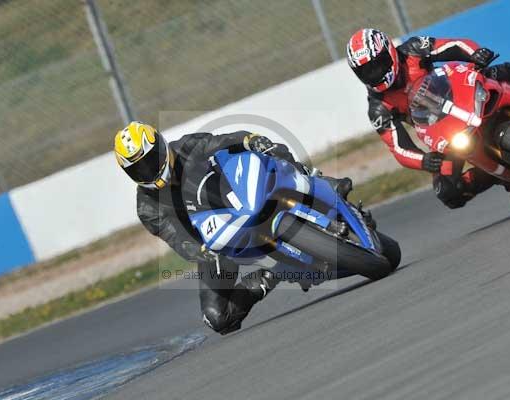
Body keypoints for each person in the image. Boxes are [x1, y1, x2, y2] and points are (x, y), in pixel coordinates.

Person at [114, 122, 352, 334]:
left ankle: (318, 182)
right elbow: (176, 238)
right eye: (138, 169)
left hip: (240, 193)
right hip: (215, 241)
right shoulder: (147, 206)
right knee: (217, 318)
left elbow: (221, 141)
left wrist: (249, 139)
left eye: (150, 160)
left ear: (161, 146)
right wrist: (201, 251)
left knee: (268, 150)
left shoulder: (186, 147)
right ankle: (273, 275)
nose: (148, 170)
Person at [346, 28, 510, 208]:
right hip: (444, 132)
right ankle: (503, 177)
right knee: (449, 191)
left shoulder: (413, 49)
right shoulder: (378, 107)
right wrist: (424, 160)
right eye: (367, 71)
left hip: (465, 94)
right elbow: (398, 147)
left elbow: (454, 45)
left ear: (389, 52)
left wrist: (475, 54)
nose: (376, 73)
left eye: (378, 65)